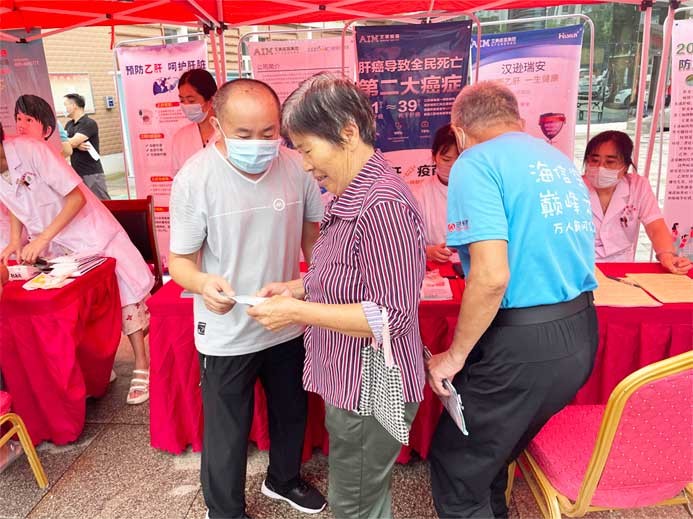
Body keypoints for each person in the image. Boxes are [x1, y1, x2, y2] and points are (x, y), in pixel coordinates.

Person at [247, 73, 427, 519]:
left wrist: (295, 310)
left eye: (308, 149)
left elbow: (390, 315)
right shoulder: (352, 192)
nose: (306, 165)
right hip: (349, 378)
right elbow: (349, 275)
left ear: (347, 131)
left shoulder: (382, 205)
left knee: (355, 506)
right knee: (359, 497)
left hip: (371, 384)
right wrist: (297, 287)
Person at [426, 81, 599, 518]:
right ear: (517, 120)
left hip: (524, 342)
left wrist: (455, 355)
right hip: (578, 331)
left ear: (459, 130)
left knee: (457, 467)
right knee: (493, 457)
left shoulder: (476, 162)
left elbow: (490, 276)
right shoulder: (555, 161)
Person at [168, 78, 326, 519]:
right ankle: (224, 510)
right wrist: (202, 284)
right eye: (244, 134)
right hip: (226, 325)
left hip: (286, 316)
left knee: (292, 410)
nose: (259, 144)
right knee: (227, 429)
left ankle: (284, 479)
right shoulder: (194, 180)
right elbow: (179, 260)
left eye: (269, 132)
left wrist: (318, 289)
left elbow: (314, 238)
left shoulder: (296, 167)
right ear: (217, 124)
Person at [0, 122, 154, 405]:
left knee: (123, 296)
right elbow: (13, 203)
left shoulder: (32, 151)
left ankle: (142, 365)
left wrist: (42, 237)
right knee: (78, 307)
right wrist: (14, 239)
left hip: (88, 234)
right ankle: (97, 369)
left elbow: (76, 198)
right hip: (55, 243)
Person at [583, 130, 691, 274]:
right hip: (581, 262)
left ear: (625, 166)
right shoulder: (572, 186)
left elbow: (655, 227)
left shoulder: (638, 186)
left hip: (621, 265)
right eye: (594, 160)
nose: (601, 167)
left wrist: (667, 255)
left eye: (610, 162)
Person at [410, 124, 460, 263]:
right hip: (437, 272)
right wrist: (428, 251)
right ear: (434, 157)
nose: (452, 166)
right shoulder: (420, 195)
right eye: (446, 159)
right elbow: (407, 242)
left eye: (458, 159)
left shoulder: (479, 191)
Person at [171, 69, 218, 174]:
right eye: (182, 100)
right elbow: (178, 179)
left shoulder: (228, 134)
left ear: (210, 100)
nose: (186, 105)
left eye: (191, 100)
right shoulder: (180, 138)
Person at [63, 93, 110, 200]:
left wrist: (74, 144)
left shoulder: (89, 123)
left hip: (92, 172)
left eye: (65, 105)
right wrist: (77, 145)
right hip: (76, 172)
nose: (64, 108)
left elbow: (72, 142)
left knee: (103, 203)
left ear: (74, 105)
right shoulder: (69, 125)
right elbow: (65, 144)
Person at [14, 94, 72, 159]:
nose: (21, 126)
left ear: (47, 131)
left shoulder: (54, 123)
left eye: (29, 120)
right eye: (19, 119)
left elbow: (67, 150)